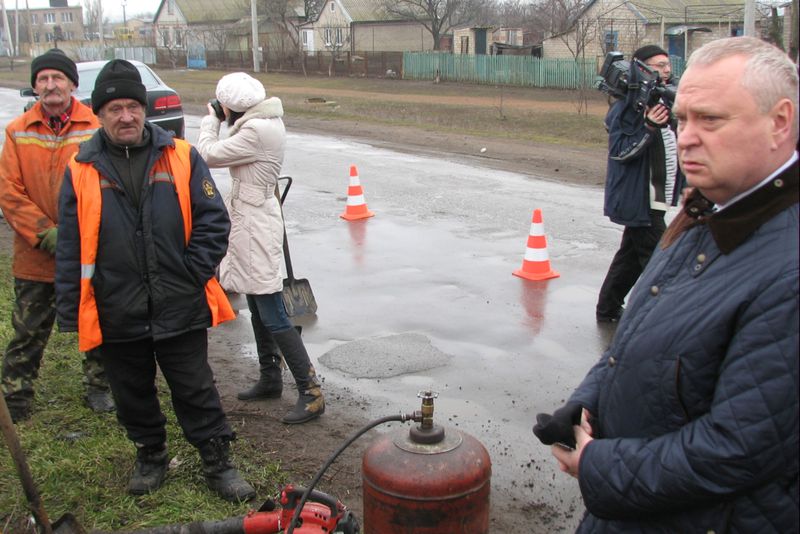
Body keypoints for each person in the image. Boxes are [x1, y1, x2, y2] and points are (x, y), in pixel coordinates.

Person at [535, 36, 798, 532]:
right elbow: (635, 344)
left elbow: (736, 451)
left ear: (779, 122)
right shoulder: (706, 210)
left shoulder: (788, 269)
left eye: (711, 120)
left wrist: (598, 467)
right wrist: (586, 402)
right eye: (682, 120)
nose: (689, 136)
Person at [54, 60, 255, 502]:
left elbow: (213, 222)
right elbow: (71, 244)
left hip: (178, 303)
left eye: (132, 106)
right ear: (99, 114)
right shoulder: (80, 169)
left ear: (143, 110)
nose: (125, 116)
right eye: (114, 109)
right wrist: (71, 309)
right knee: (131, 392)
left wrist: (189, 272)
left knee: (195, 386)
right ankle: (151, 454)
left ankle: (217, 460)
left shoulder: (181, 156)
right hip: (116, 307)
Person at [196, 72, 324, 425]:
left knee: (272, 311)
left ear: (233, 107)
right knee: (255, 302)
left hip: (254, 225)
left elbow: (206, 154)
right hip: (249, 222)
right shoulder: (260, 122)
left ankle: (311, 392)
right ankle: (270, 379)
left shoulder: (255, 130)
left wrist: (211, 120)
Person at [0, 48, 113, 423]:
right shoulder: (17, 131)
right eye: (43, 79)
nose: (51, 85)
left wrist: (80, 233)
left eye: (58, 78)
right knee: (27, 330)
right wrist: (45, 233)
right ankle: (15, 398)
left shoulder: (95, 126)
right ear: (35, 86)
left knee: (94, 320)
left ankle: (99, 387)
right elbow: (9, 192)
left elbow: (106, 183)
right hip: (35, 252)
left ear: (72, 84)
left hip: (87, 248)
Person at [595, 44, 684, 323]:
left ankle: (607, 308)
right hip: (638, 200)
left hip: (653, 199)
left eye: (667, 65)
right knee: (662, 260)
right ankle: (668, 319)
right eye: (658, 66)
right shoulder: (625, 109)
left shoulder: (661, 102)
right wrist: (647, 127)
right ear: (642, 69)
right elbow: (620, 152)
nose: (666, 70)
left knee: (630, 258)